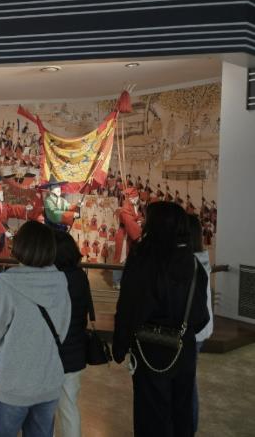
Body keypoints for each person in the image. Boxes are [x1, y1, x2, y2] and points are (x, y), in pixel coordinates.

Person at [112, 202, 210, 437]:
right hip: (183, 348)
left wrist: (120, 345)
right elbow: (201, 316)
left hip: (149, 348)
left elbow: (128, 307)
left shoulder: (142, 259)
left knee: (152, 414)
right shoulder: (193, 264)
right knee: (181, 411)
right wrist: (182, 329)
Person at [0, 221, 71, 437]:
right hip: (48, 381)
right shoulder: (61, 285)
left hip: (13, 384)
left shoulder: (6, 288)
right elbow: (63, 329)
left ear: (20, 247)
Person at [52, 230, 91, 437]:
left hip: (51, 353)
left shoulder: (50, 280)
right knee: (69, 408)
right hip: (75, 352)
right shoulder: (80, 277)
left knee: (44, 410)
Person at [188, 214, 213, 433]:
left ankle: (188, 428)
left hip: (193, 332)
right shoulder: (202, 260)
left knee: (187, 385)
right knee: (188, 381)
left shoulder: (191, 263)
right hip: (200, 330)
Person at [0, 183, 33, 288]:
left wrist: (24, 208)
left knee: (1, 258)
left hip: (1, 233)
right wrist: (3, 232)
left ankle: (0, 280)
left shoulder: (3, 205)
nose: (1, 194)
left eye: (1, 192)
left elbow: (12, 209)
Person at [112, 186, 144, 290]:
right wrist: (139, 234)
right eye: (135, 197)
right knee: (120, 259)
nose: (137, 199)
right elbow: (129, 223)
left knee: (127, 259)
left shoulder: (133, 205)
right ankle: (116, 281)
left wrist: (140, 220)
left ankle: (123, 280)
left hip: (129, 235)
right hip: (124, 235)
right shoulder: (125, 208)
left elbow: (138, 216)